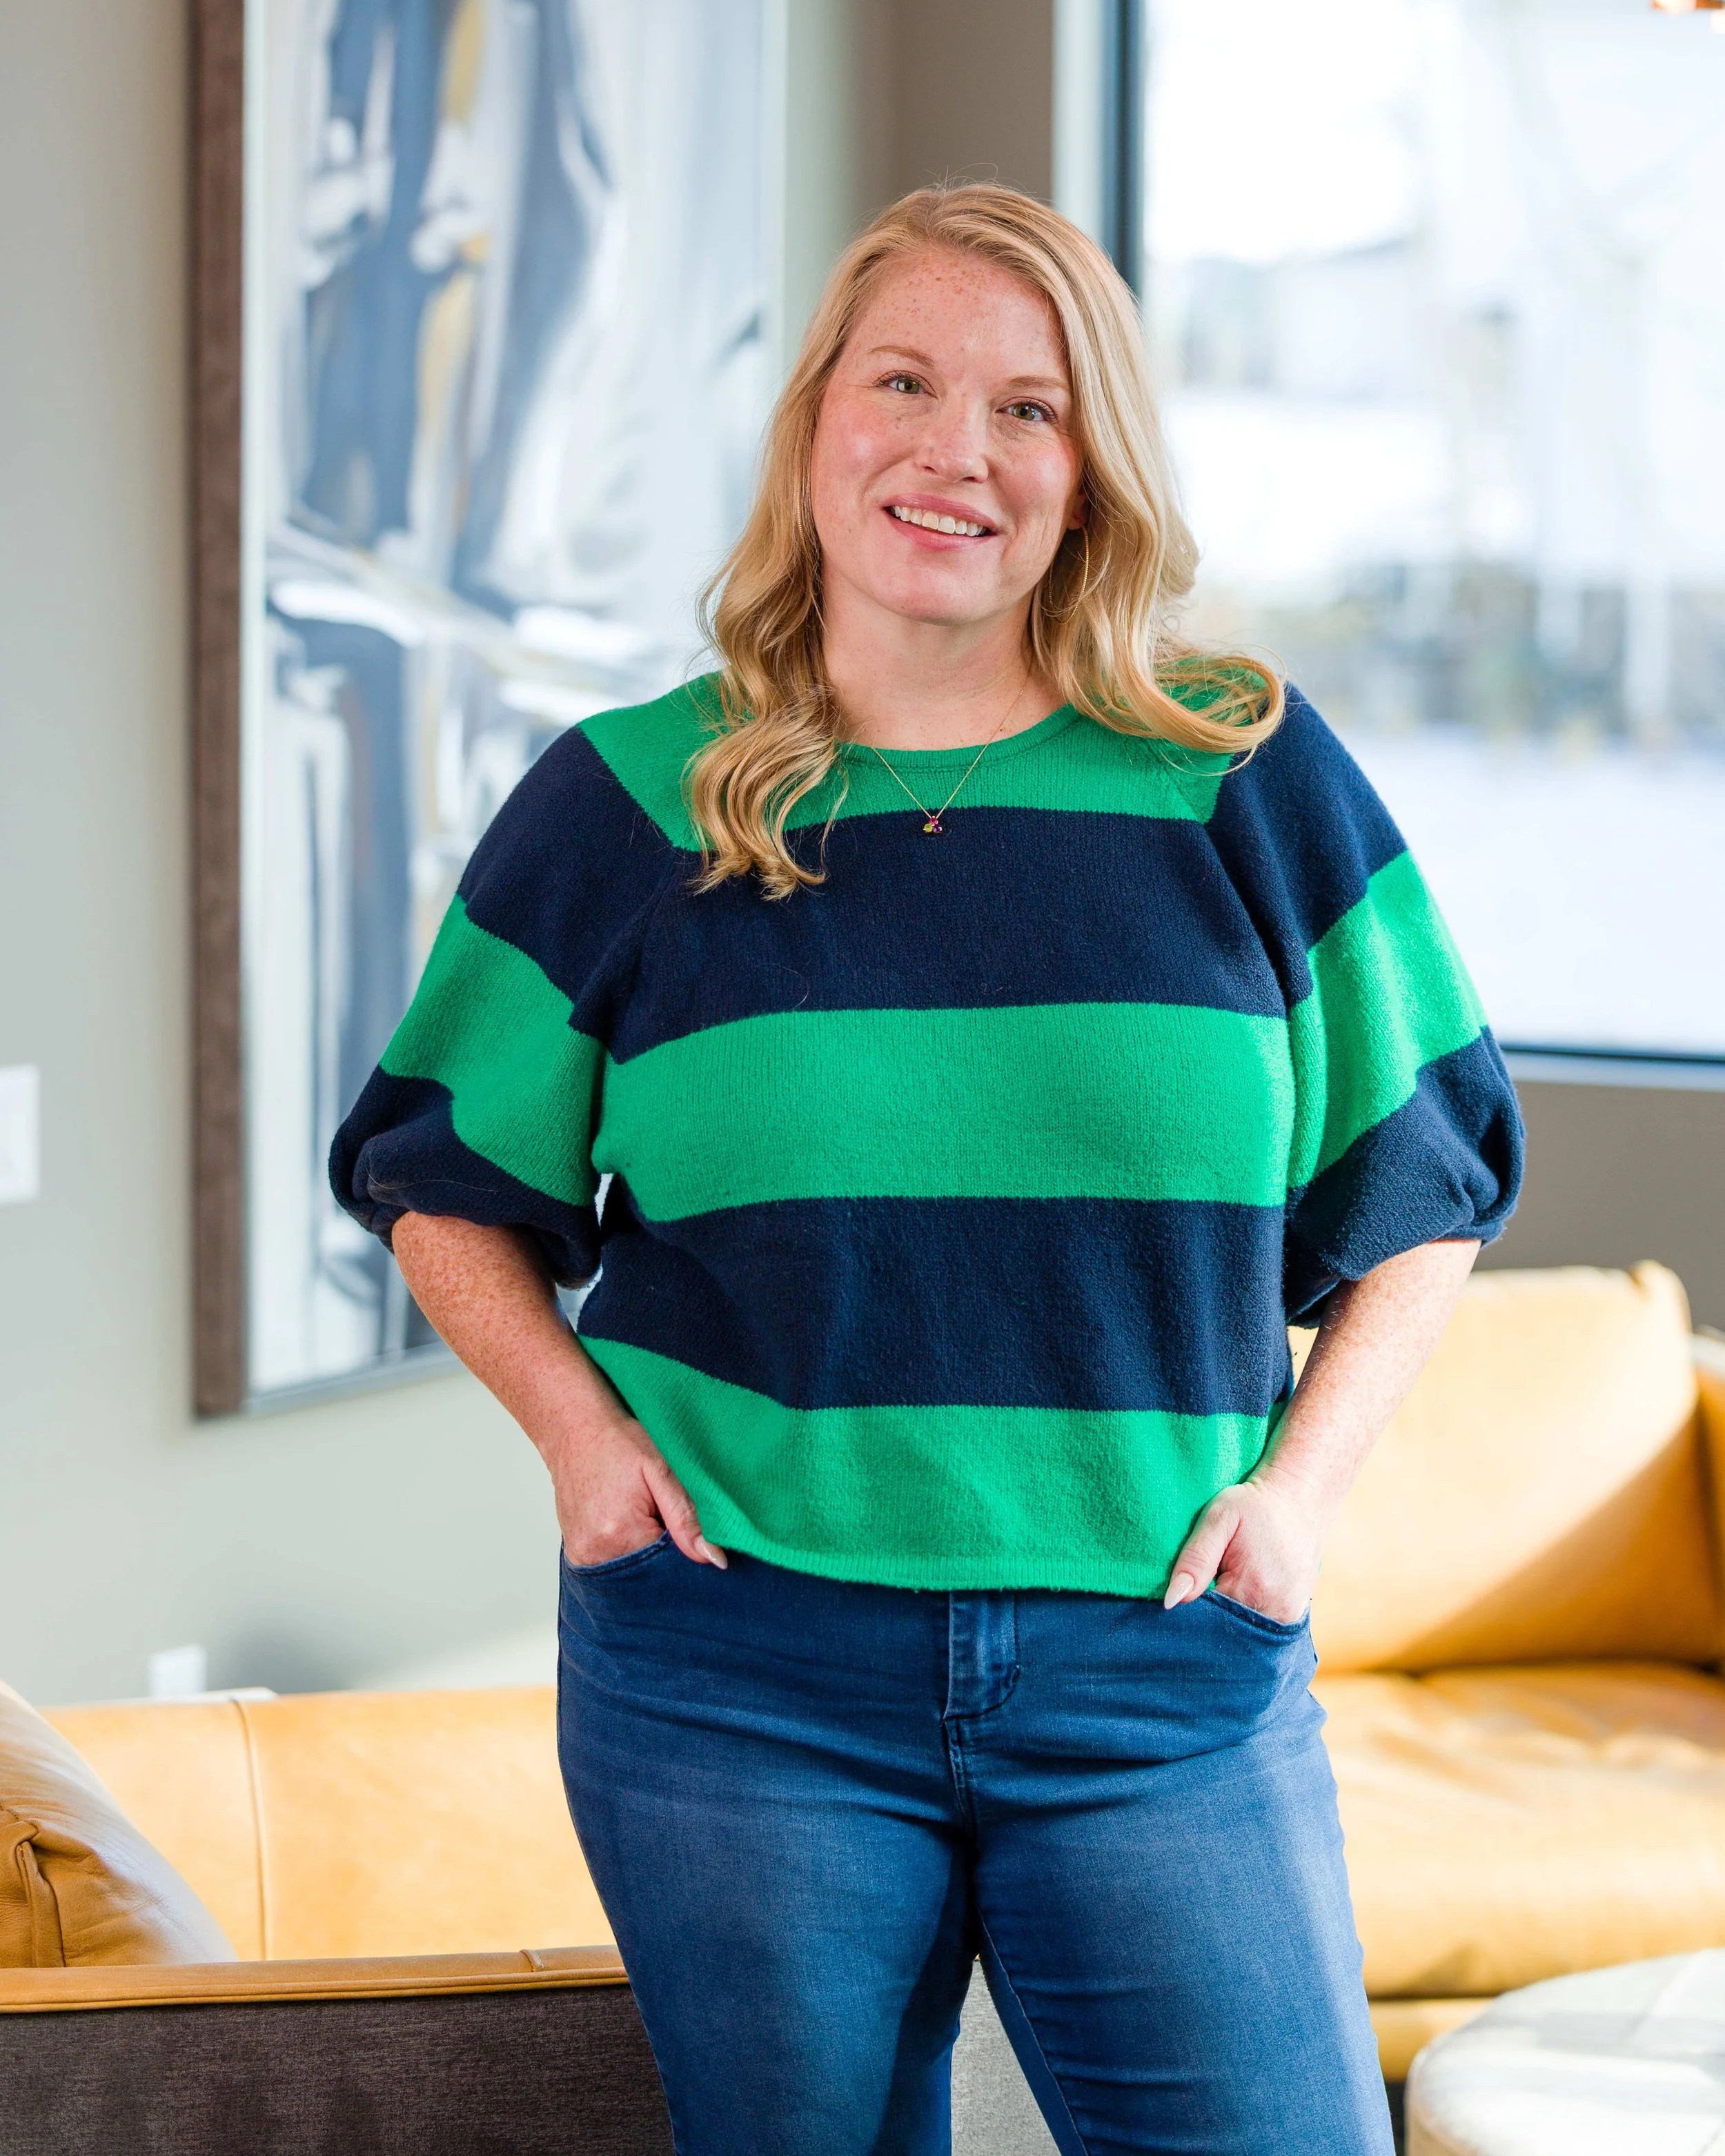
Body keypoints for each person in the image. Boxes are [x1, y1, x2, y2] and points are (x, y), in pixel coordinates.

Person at [330, 184, 1522, 2156]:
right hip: (740, 1675)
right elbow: (436, 1167)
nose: (953, 450)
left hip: (1155, 1666)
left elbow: (1434, 1163)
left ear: (1090, 472)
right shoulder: (633, 801)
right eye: (902, 380)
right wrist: (573, 1435)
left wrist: (1302, 1490)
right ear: (815, 424)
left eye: (1027, 409)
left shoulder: (1241, 774)